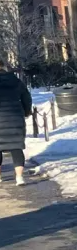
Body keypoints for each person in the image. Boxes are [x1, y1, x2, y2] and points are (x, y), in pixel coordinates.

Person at [0, 58, 32, 186]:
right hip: (15, 117)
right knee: (16, 147)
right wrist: (26, 112)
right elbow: (27, 98)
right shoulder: (15, 81)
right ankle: (19, 177)